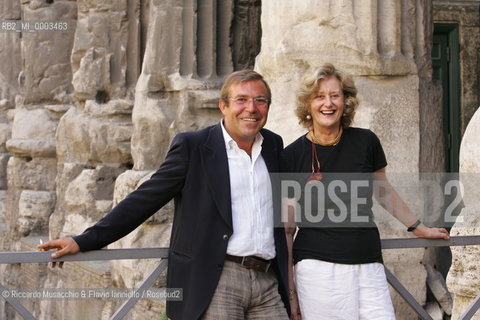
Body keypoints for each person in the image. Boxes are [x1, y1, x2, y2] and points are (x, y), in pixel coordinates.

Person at [39, 70, 290, 320]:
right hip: (217, 278)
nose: (252, 108)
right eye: (242, 100)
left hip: (267, 280)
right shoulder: (194, 147)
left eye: (260, 100)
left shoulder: (273, 146)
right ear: (223, 106)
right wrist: (85, 240)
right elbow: (145, 199)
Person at [281, 63, 450, 320]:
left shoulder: (365, 141)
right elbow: (288, 227)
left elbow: (383, 191)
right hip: (318, 269)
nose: (328, 103)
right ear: (308, 104)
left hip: (368, 261)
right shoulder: (292, 155)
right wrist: (290, 291)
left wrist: (418, 227)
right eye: (319, 96)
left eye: (335, 95)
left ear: (345, 100)